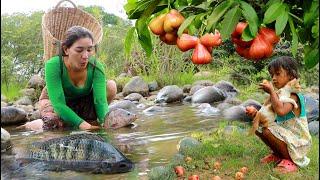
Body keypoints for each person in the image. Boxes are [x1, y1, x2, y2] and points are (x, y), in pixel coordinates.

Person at [38, 26, 120, 130]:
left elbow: (100, 101)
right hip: (55, 101)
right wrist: (83, 125)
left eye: (89, 50)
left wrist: (106, 123)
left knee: (110, 86)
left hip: (83, 100)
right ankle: (72, 120)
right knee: (53, 123)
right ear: (66, 49)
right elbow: (58, 104)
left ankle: (86, 119)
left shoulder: (96, 67)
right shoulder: (53, 65)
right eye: (79, 50)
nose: (85, 56)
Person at [245, 56, 312, 173]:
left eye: (277, 74)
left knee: (267, 130)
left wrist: (271, 92)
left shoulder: (294, 96)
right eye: (272, 75)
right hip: (287, 137)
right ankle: (278, 155)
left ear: (291, 75)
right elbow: (269, 113)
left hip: (298, 141)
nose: (274, 78)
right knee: (259, 128)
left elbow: (281, 111)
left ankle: (290, 161)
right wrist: (256, 114)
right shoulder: (279, 95)